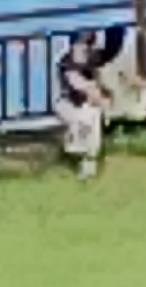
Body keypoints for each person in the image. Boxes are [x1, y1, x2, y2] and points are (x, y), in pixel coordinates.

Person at [52, 26, 126, 176]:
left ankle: (87, 159)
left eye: (87, 45)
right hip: (66, 104)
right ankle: (78, 152)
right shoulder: (67, 64)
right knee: (86, 115)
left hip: (86, 105)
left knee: (91, 113)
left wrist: (117, 32)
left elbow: (110, 52)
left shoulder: (92, 58)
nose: (86, 49)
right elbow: (80, 86)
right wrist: (98, 96)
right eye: (82, 45)